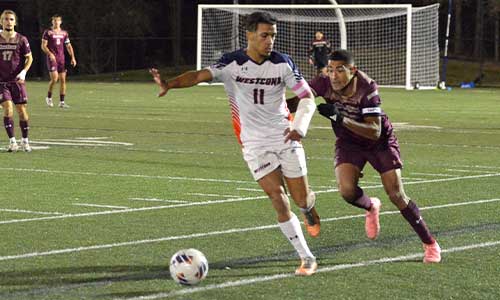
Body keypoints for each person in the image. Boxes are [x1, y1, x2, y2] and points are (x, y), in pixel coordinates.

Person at [151, 12, 321, 275]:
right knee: (278, 198)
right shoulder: (232, 63)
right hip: (253, 143)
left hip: (285, 136)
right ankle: (306, 257)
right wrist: (170, 84)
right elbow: (198, 76)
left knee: (301, 199)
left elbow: (307, 97)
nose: (270, 41)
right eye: (265, 35)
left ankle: (309, 208)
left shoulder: (283, 63)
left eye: (273, 36)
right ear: (250, 35)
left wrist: (299, 126)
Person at [288, 49, 441, 263]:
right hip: (349, 142)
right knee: (347, 191)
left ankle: (430, 243)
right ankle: (371, 206)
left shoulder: (367, 88)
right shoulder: (324, 81)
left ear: (353, 70)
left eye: (340, 70)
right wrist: (273, 108)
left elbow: (374, 130)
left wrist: (340, 119)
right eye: (330, 70)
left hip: (379, 143)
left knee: (396, 195)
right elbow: (301, 99)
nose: (334, 76)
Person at [0, 10, 33, 152]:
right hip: (1, 82)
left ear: (15, 22)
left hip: (17, 82)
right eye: (6, 19)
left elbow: (29, 58)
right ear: (1, 21)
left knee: (22, 111)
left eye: (11, 19)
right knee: (8, 109)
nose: (8, 21)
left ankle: (25, 140)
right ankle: (12, 141)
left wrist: (24, 72)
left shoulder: (22, 39)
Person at [41, 14, 76, 108]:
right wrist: (50, 54)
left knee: (63, 80)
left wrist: (72, 57)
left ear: (61, 22)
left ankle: (62, 102)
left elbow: (68, 46)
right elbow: (43, 46)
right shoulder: (48, 32)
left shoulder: (64, 33)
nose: (56, 22)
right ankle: (49, 97)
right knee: (54, 79)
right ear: (52, 22)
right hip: (52, 58)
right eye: (54, 20)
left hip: (62, 59)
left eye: (58, 20)